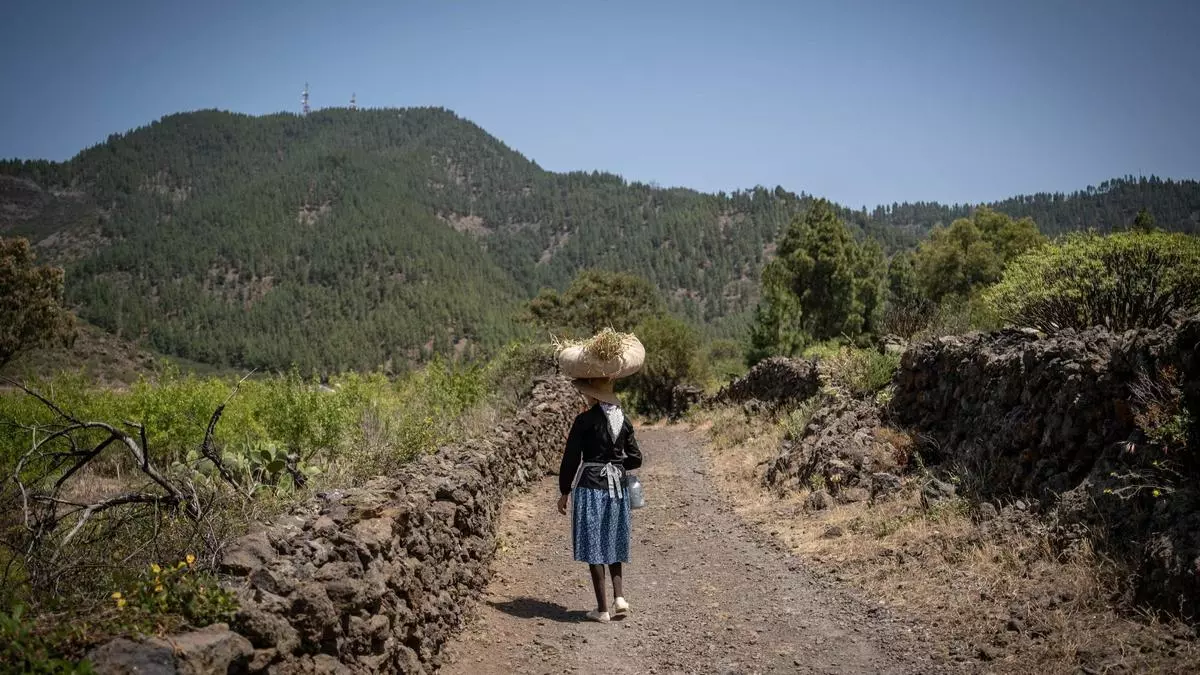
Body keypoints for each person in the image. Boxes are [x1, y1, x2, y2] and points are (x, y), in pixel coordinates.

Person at [556, 376, 642, 623]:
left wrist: (564, 491)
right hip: (617, 489)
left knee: (594, 543)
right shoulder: (623, 420)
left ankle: (602, 609)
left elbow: (571, 458)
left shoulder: (584, 420)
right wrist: (616, 464)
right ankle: (620, 597)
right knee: (614, 538)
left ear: (593, 395)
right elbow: (636, 458)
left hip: (590, 486)